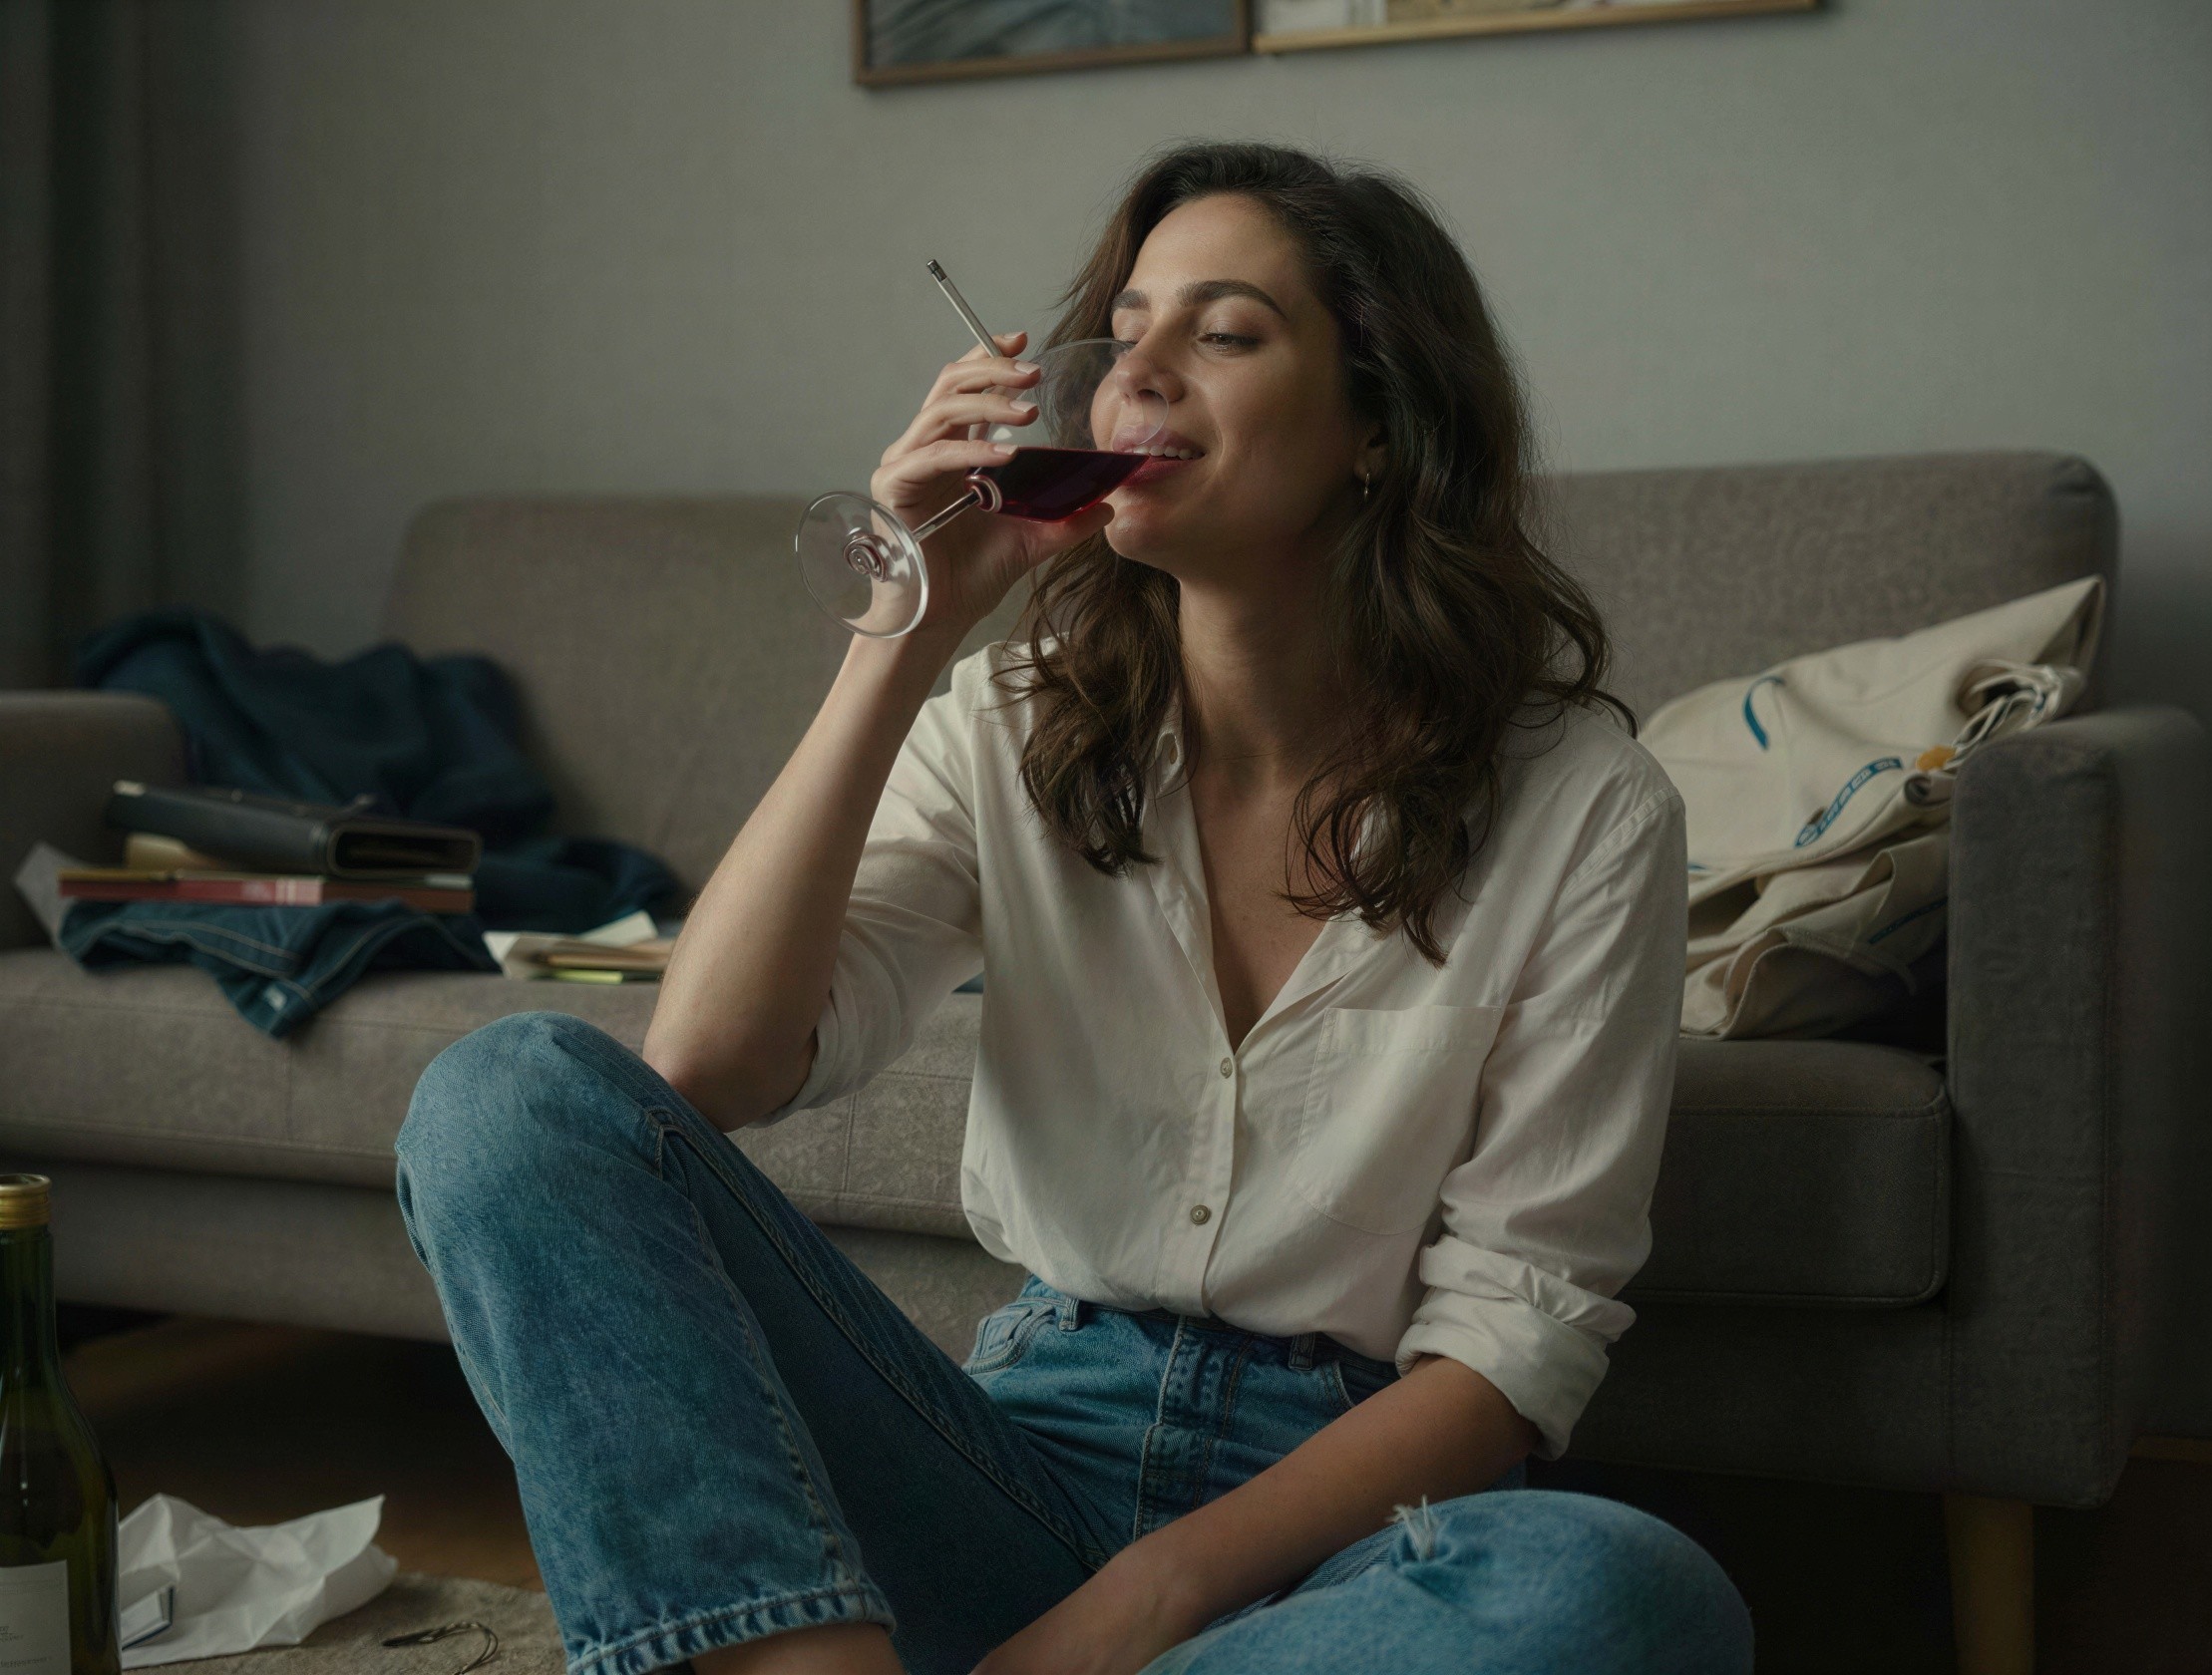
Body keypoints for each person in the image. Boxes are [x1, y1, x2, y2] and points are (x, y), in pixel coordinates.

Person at [396, 142, 1751, 1675]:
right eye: (1124, 331)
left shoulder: (1583, 805)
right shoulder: (1009, 725)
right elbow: (707, 1068)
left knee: (1626, 1593)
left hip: (1345, 1541)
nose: (1138, 374)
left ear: (1378, 422)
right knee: (503, 1096)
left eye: (1224, 333)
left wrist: (1142, 1607)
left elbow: (1514, 1339)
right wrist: (898, 633)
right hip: (1009, 1468)